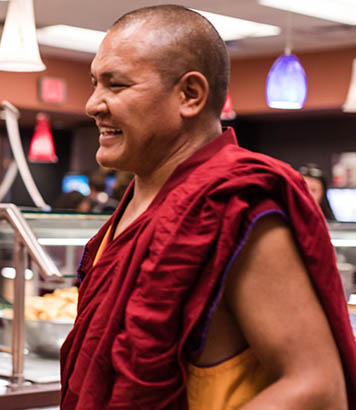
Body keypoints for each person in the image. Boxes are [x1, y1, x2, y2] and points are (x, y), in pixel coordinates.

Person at [60, 5, 356, 410]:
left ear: (190, 95)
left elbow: (317, 390)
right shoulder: (133, 204)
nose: (93, 104)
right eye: (94, 83)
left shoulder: (233, 202)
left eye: (117, 85)